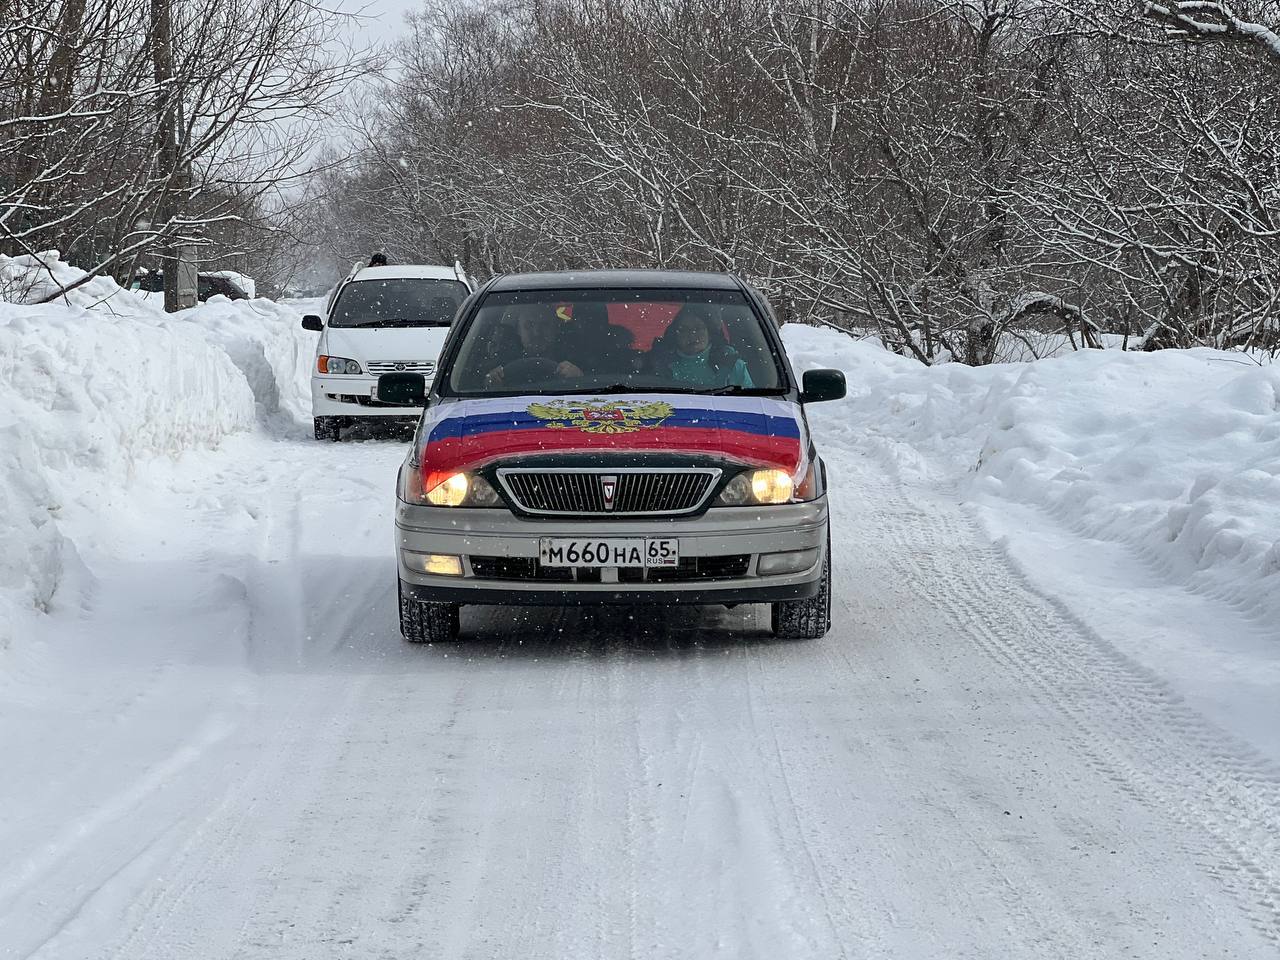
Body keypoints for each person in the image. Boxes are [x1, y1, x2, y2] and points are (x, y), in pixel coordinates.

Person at [657, 304, 753, 388]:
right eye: (684, 329)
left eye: (698, 328)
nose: (692, 335)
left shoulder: (731, 364)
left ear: (710, 333)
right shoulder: (659, 363)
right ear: (675, 335)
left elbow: (752, 403)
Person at [485, 304, 583, 386]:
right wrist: (490, 380)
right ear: (518, 330)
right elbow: (474, 386)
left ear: (556, 329)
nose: (537, 332)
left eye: (545, 325)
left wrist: (579, 378)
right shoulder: (499, 361)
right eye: (529, 325)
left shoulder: (577, 358)